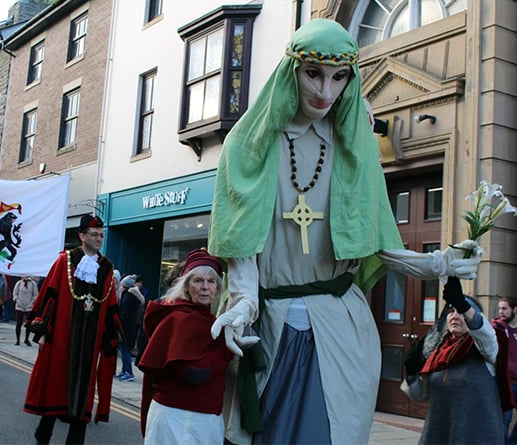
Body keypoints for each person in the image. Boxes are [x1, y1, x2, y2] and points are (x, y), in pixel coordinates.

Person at [207, 19, 483, 444]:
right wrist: (243, 301)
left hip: (342, 328)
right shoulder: (250, 143)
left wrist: (439, 262)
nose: (325, 91)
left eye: (339, 77)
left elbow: (377, 241)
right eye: (313, 73)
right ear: (291, 71)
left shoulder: (353, 146)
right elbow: (242, 243)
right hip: (274, 323)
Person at [24, 214, 121, 445]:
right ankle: (43, 435)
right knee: (55, 386)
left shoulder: (106, 267)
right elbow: (50, 295)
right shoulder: (65, 261)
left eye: (101, 235)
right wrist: (42, 329)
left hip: (91, 341)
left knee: (83, 395)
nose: (99, 239)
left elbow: (110, 306)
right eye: (94, 235)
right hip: (61, 337)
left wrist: (111, 339)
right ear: (81, 236)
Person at [138, 249, 243, 444]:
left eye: (211, 282)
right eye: (198, 281)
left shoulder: (211, 321)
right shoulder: (178, 319)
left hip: (204, 419)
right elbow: (194, 373)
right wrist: (227, 348)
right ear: (186, 286)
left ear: (218, 289)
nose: (205, 287)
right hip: (179, 419)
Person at [401, 277, 503, 443]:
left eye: (461, 312)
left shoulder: (484, 349)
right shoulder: (439, 349)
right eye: (451, 311)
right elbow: (421, 395)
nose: (456, 316)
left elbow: (486, 334)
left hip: (477, 437)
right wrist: (411, 373)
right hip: (439, 435)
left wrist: (464, 305)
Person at [493, 296, 517, 443]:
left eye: (505, 308)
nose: (501, 312)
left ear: (514, 310)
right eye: (500, 308)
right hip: (505, 382)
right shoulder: (496, 328)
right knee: (504, 419)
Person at [116, 274, 145, 382]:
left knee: (125, 350)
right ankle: (125, 370)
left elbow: (124, 314)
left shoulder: (128, 297)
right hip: (129, 328)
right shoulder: (131, 295)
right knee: (124, 349)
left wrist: (120, 327)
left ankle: (128, 372)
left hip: (126, 328)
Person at [12, 276, 38, 346]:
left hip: (29, 306)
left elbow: (35, 295)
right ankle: (18, 339)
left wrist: (32, 302)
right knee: (18, 323)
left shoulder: (33, 284)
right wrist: (17, 300)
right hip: (19, 305)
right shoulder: (19, 283)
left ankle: (27, 339)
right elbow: (15, 293)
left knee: (28, 324)